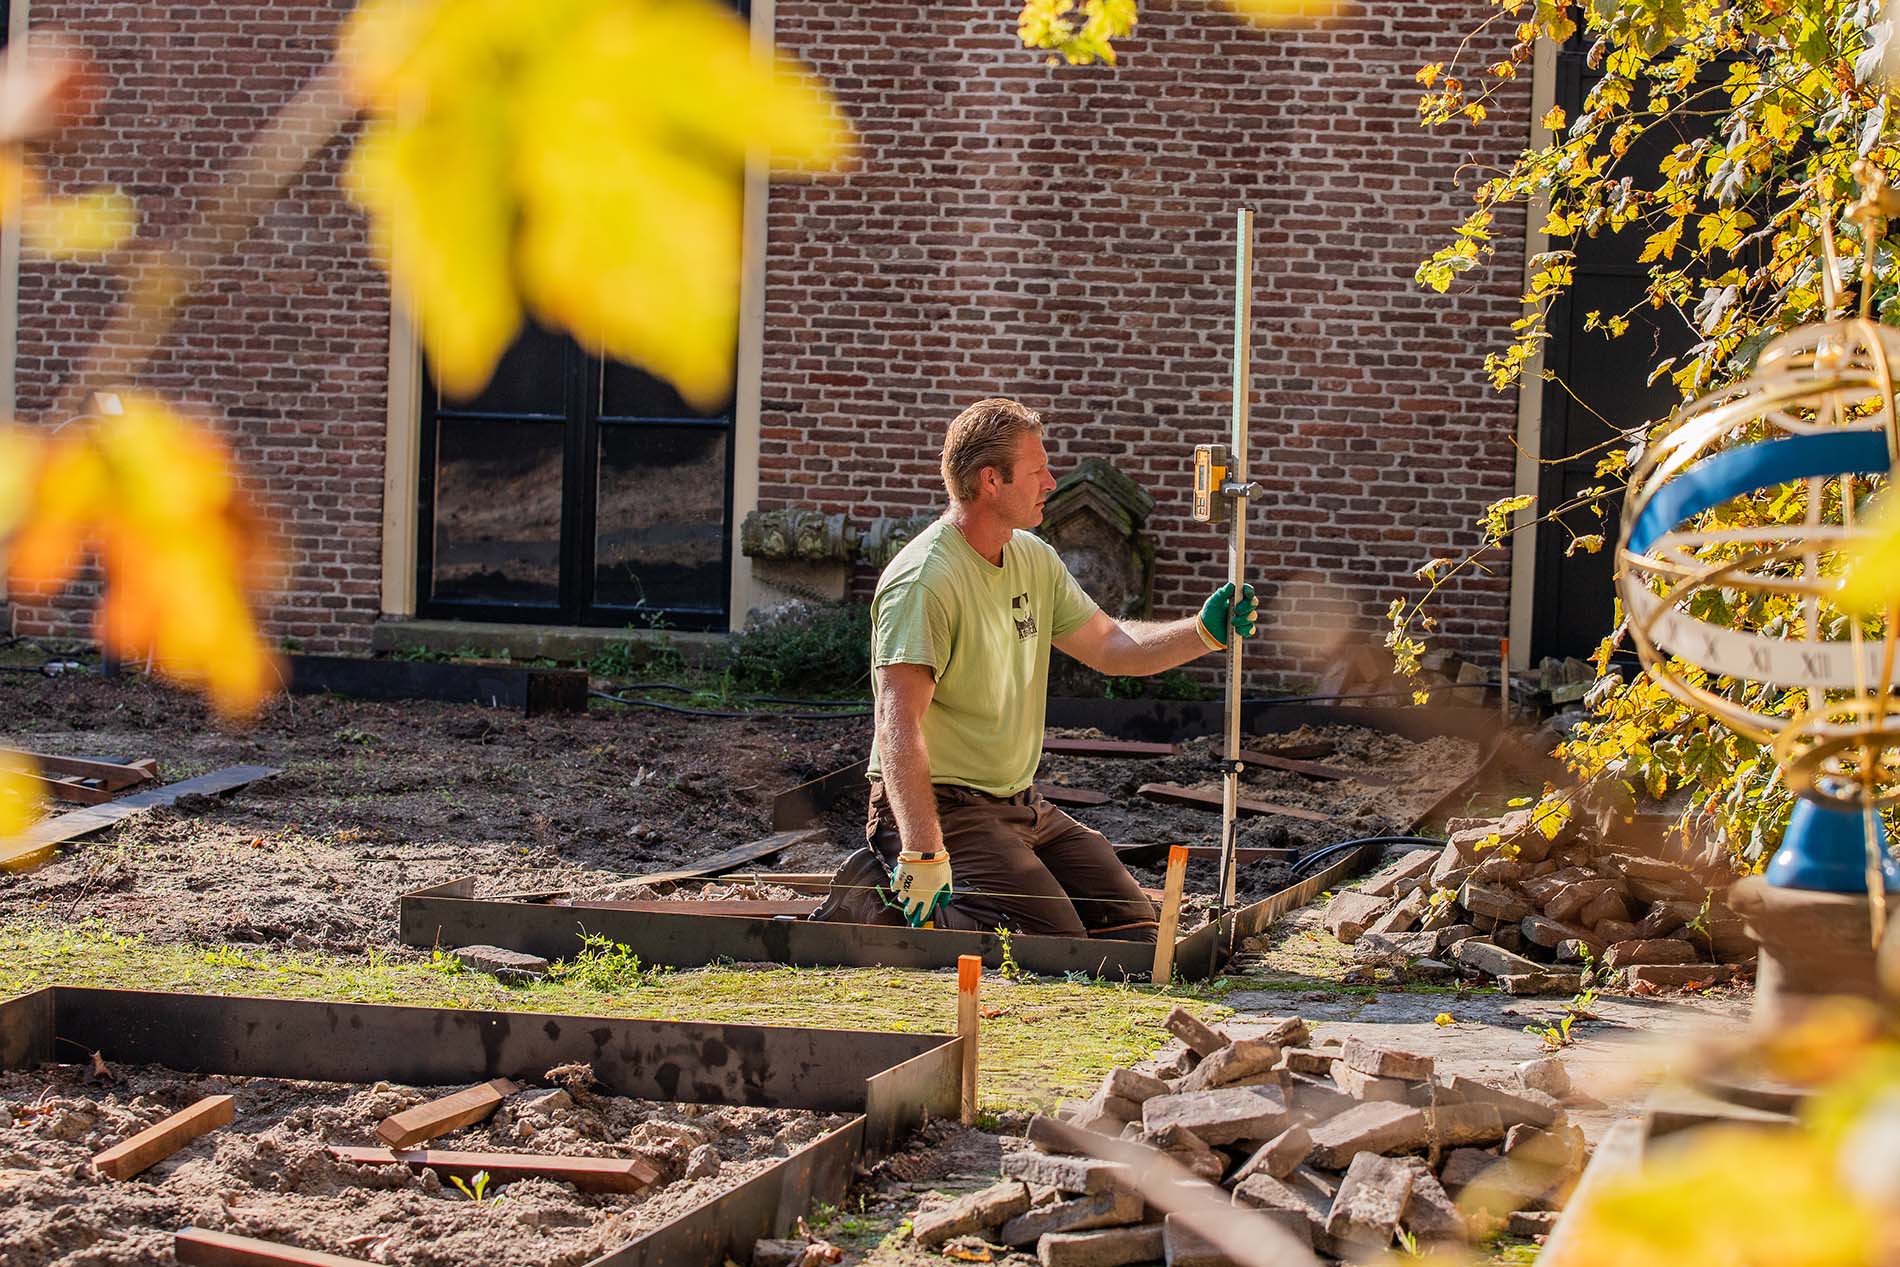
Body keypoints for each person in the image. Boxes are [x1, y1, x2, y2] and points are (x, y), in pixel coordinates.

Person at [811, 398, 1257, 942]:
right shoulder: (926, 581)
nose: (1050, 481)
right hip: (945, 808)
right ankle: (877, 901)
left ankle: (989, 894)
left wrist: (1202, 632)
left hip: (1020, 804)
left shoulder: (1032, 557)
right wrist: (924, 851)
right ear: (991, 481)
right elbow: (897, 725)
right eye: (1037, 469)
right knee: (1052, 947)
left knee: (1137, 930)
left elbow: (1111, 643)